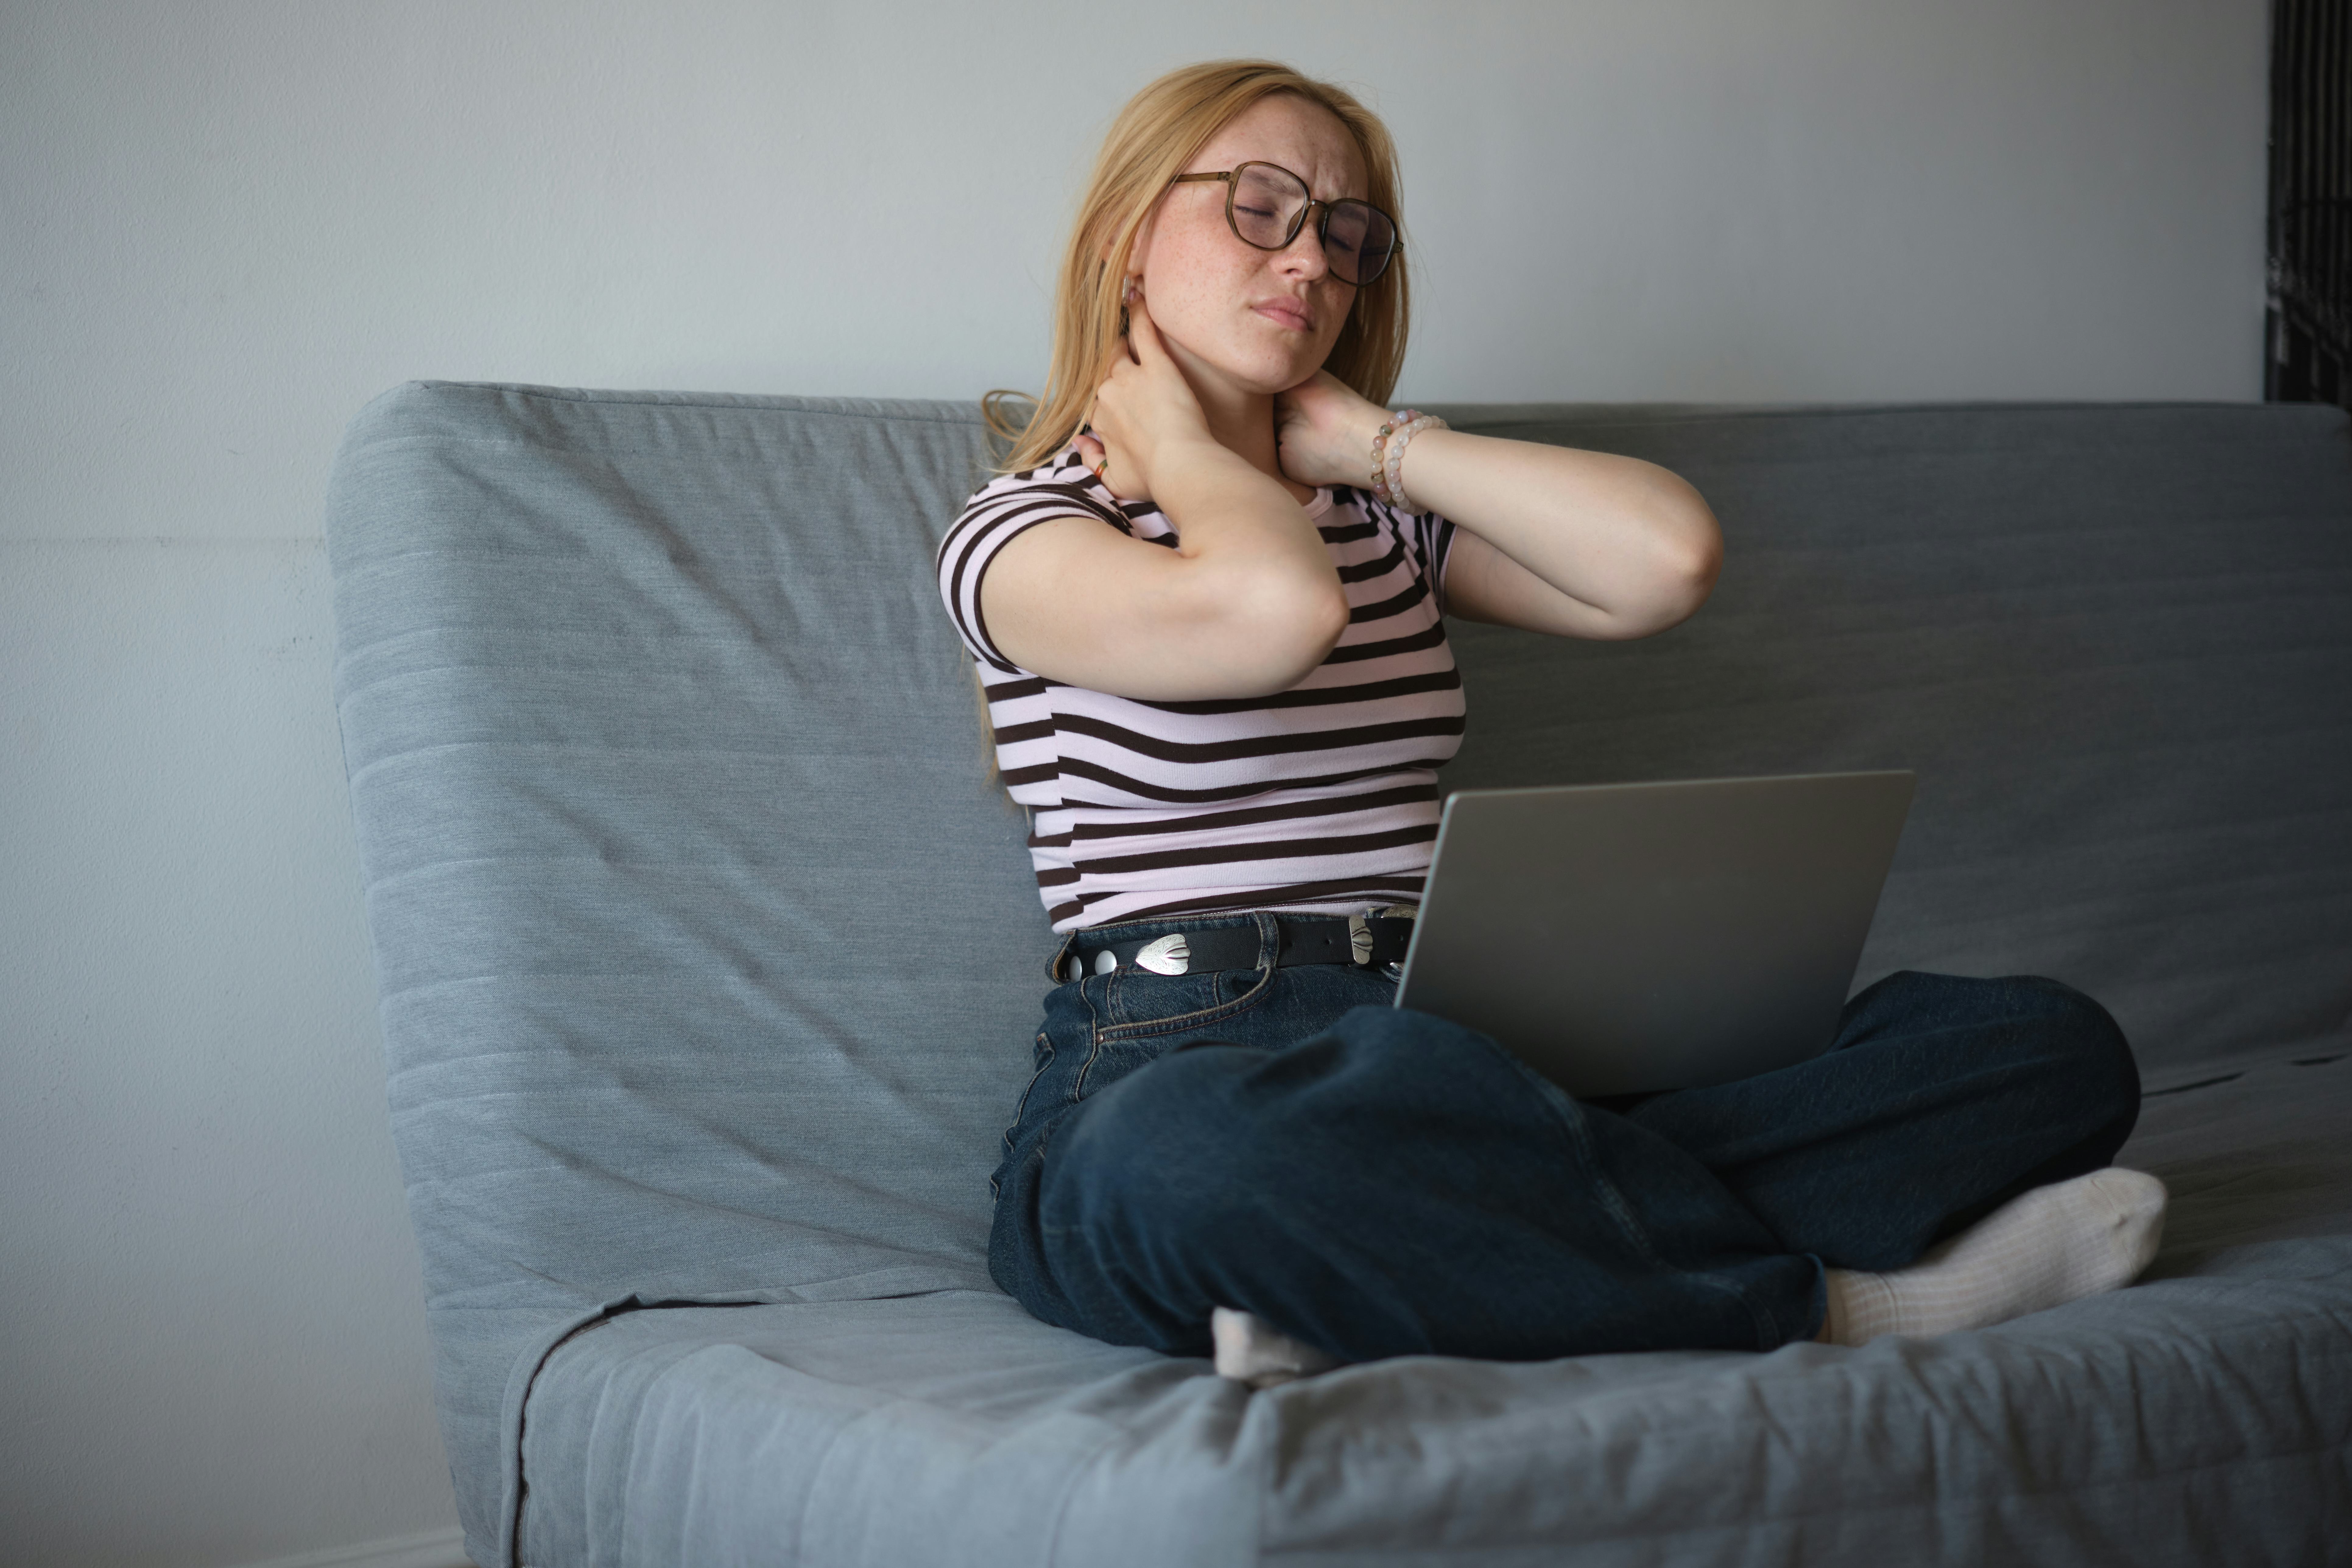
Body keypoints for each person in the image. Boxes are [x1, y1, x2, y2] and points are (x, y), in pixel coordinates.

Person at [935, 58, 2165, 1387]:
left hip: (1469, 1063)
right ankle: (1832, 1310)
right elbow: (1272, 614)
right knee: (1176, 1161)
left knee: (2040, 1051)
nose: (1310, 260)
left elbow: (1663, 560)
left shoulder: (1377, 520)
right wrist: (1172, 442)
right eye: (1260, 206)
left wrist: (1372, 450)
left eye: (1346, 235)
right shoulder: (1022, 533)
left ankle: (1404, 1277)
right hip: (1179, 1061)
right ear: (1128, 236)